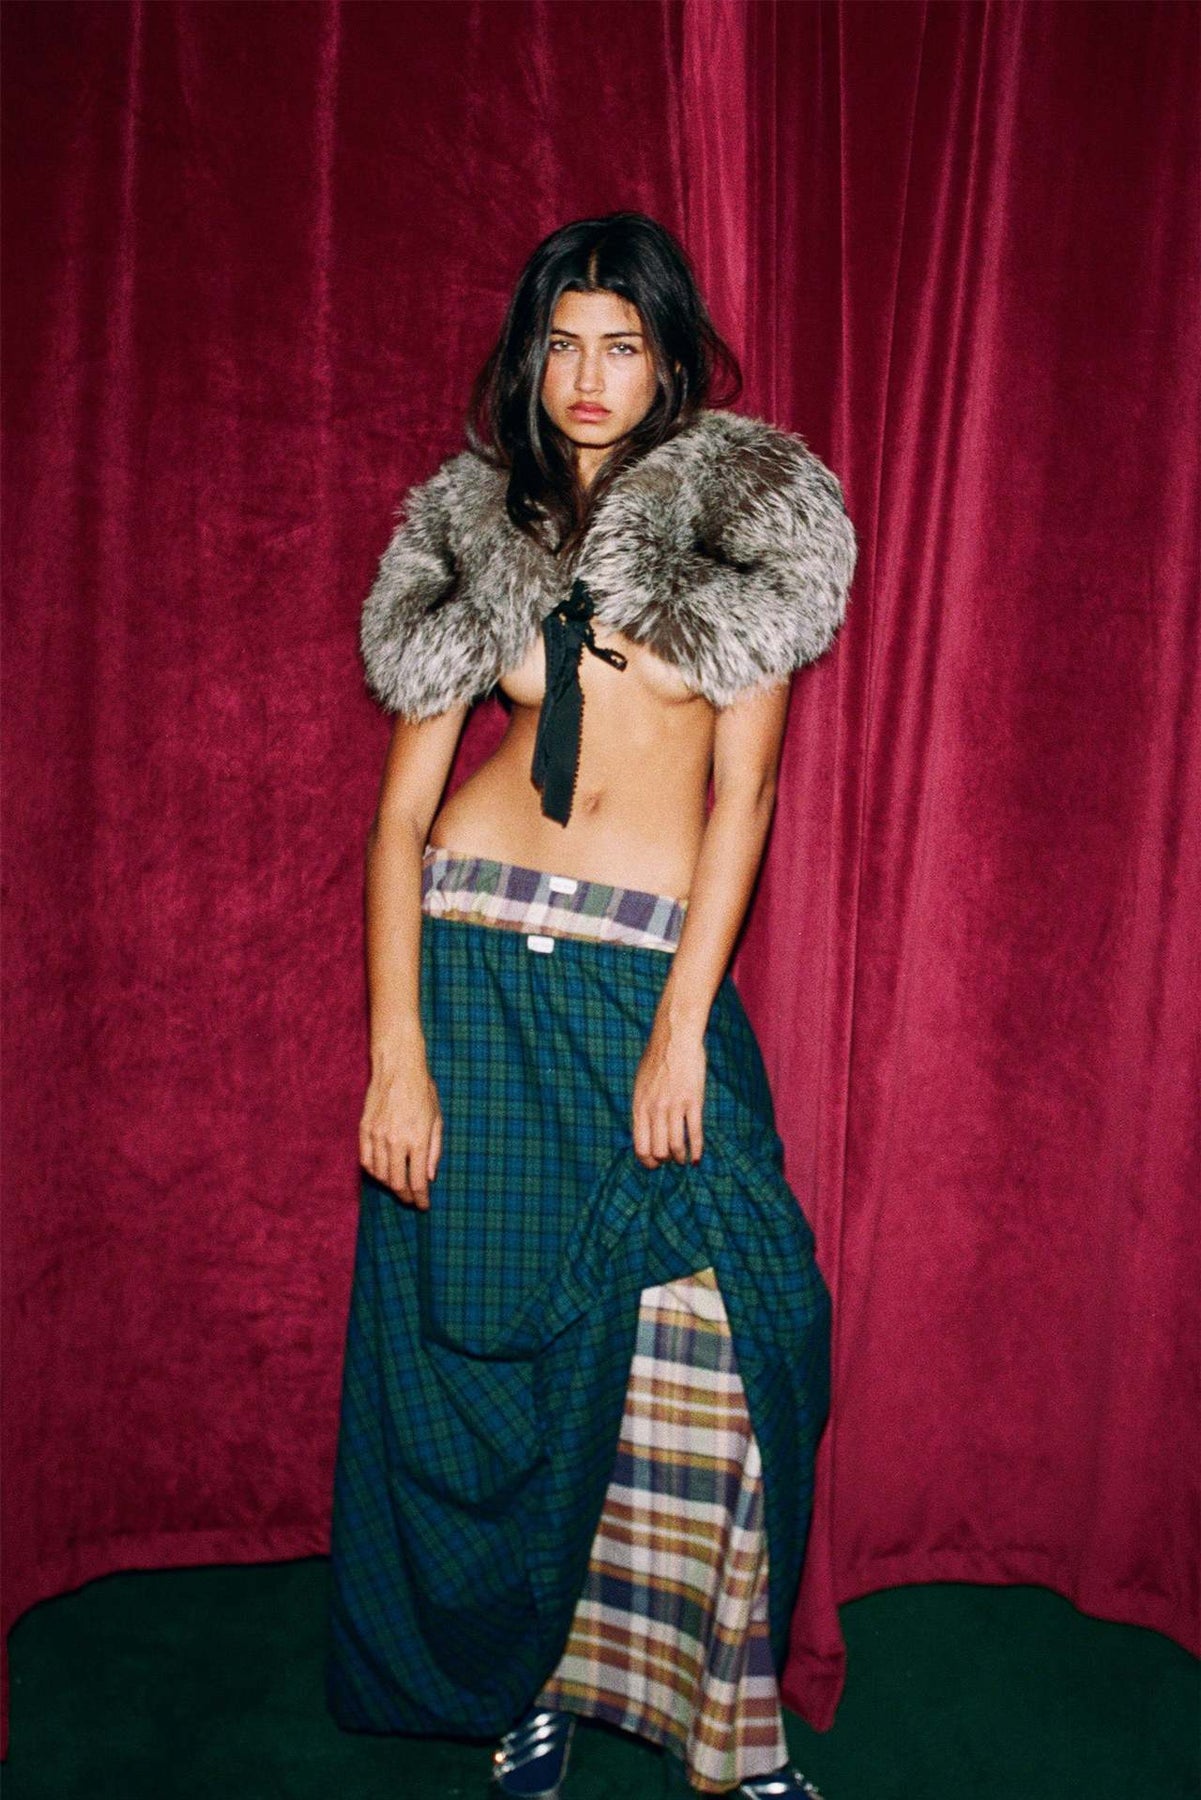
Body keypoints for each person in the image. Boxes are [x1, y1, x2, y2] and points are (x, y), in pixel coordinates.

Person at [325, 212, 857, 1800]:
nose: (585, 374)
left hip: (638, 971)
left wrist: (684, 1025)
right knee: (491, 1356)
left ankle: (723, 1721)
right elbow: (398, 821)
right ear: (527, 357)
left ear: (670, 358)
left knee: (750, 1317)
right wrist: (396, 1056)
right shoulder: (469, 529)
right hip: (474, 961)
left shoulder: (744, 522)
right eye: (560, 342)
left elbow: (744, 798)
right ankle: (522, 1681)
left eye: (620, 343)